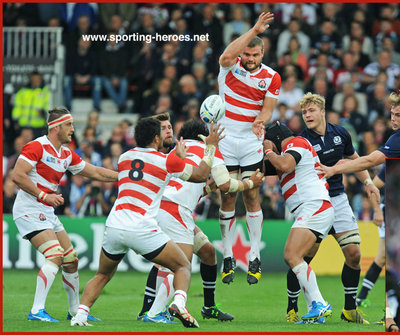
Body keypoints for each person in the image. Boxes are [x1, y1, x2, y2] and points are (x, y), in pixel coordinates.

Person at [70, 117, 224, 328]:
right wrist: (210, 148)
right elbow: (200, 175)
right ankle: (178, 303)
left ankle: (80, 315)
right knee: (182, 265)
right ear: (155, 138)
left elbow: (138, 175)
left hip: (114, 225)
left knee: (102, 274)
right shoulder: (166, 161)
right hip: (142, 228)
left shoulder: (125, 157)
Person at [137, 117, 263, 322]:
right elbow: (226, 185)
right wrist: (250, 183)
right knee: (179, 264)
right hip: (176, 210)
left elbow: (193, 185)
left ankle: (209, 307)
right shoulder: (210, 151)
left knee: (207, 251)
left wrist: (209, 187)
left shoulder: (177, 150)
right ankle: (153, 313)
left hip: (163, 206)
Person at [11, 108, 118, 322]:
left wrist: (127, 177)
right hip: (29, 209)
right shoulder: (37, 146)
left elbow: (95, 172)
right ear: (56, 127)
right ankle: (36, 311)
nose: (73, 129)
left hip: (46, 211)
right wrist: (44, 195)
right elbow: (17, 175)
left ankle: (75, 310)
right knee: (55, 256)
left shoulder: (66, 154)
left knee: (71, 260)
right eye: (69, 125)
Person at [284, 92, 380, 325]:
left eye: (311, 110)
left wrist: (367, 183)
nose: (307, 115)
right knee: (303, 257)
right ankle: (293, 307)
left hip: (337, 199)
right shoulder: (301, 140)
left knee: (354, 255)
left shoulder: (341, 134)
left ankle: (349, 310)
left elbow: (355, 159)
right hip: (314, 201)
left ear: (322, 111)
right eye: (304, 112)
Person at [217, 12, 281, 285]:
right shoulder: (230, 67)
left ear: (263, 54)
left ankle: (254, 255)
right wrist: (254, 29)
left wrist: (259, 122)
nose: (251, 59)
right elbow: (223, 58)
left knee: (252, 196)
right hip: (226, 140)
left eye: (255, 55)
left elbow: (267, 111)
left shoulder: (272, 77)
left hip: (251, 140)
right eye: (247, 54)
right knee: (228, 195)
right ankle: (229, 256)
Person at [263, 121, 333, 323]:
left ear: (276, 140)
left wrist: (269, 151)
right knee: (299, 259)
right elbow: (262, 168)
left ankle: (320, 303)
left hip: (314, 206)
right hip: (314, 209)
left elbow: (284, 164)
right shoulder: (286, 153)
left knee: (291, 255)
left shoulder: (297, 142)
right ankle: (315, 310)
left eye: (269, 142)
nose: (268, 147)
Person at [318, 87, 400, 178]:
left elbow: (370, 161)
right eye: (392, 113)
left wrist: (334, 170)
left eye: (398, 115)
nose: (392, 119)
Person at [356, 165, 386, 308]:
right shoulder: (389, 165)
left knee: (382, 258)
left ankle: (361, 296)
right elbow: (373, 187)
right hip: (387, 211)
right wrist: (377, 211)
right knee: (386, 257)